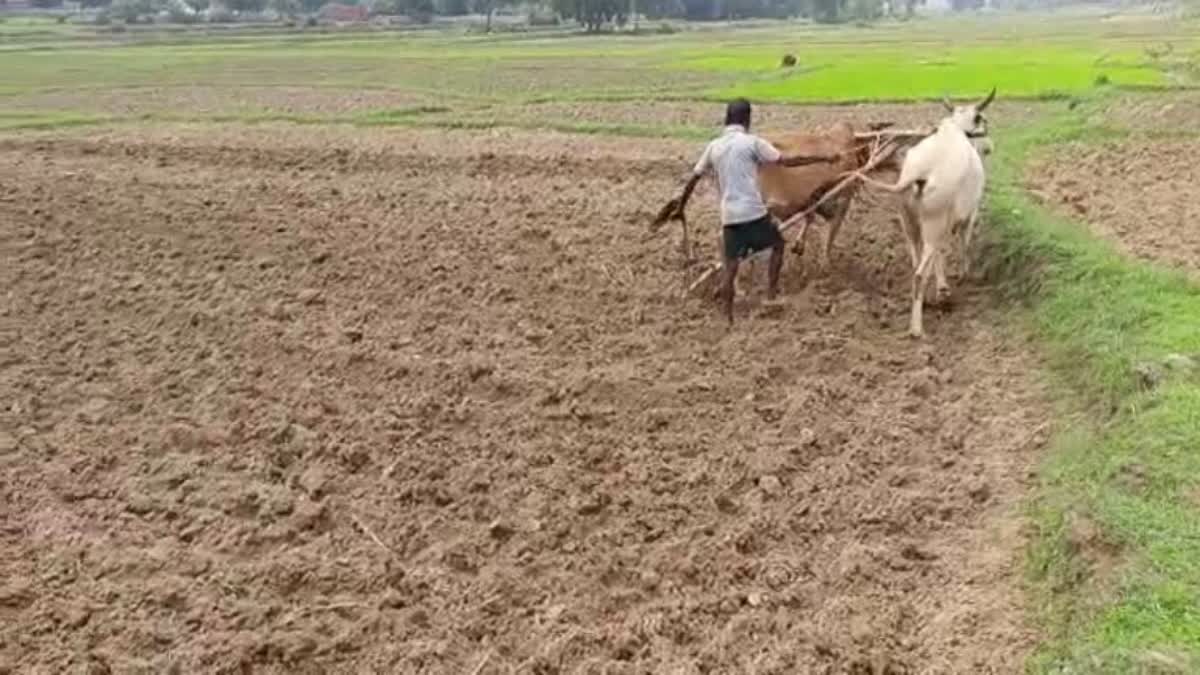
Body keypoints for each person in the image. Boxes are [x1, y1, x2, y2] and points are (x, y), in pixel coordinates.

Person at [666, 98, 840, 324]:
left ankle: (728, 319)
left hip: (729, 217)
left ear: (727, 119)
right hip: (753, 213)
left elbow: (694, 178)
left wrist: (681, 205)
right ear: (747, 119)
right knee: (778, 246)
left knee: (730, 269)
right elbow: (788, 161)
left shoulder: (714, 146)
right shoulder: (752, 143)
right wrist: (824, 158)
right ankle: (771, 294)